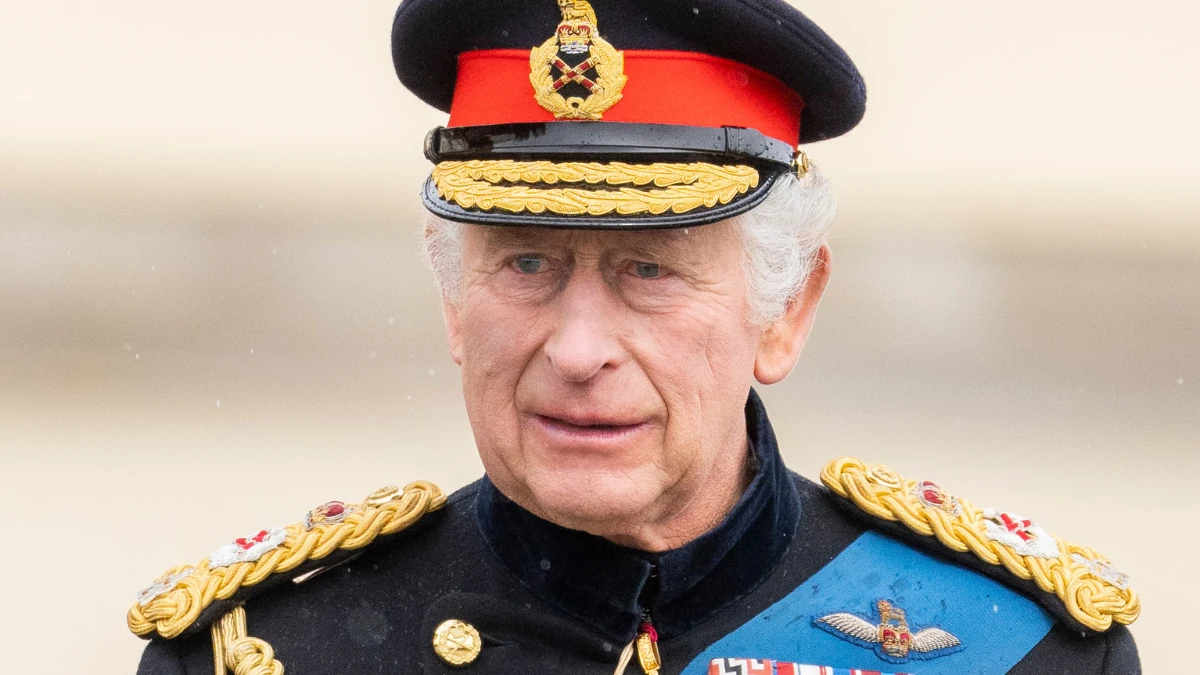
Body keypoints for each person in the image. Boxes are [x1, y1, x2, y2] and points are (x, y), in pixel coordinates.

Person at [128, 1, 1141, 673]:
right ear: (453, 304)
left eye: (649, 272)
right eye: (527, 264)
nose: (578, 351)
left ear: (786, 309)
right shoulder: (264, 652)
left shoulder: (1020, 652)